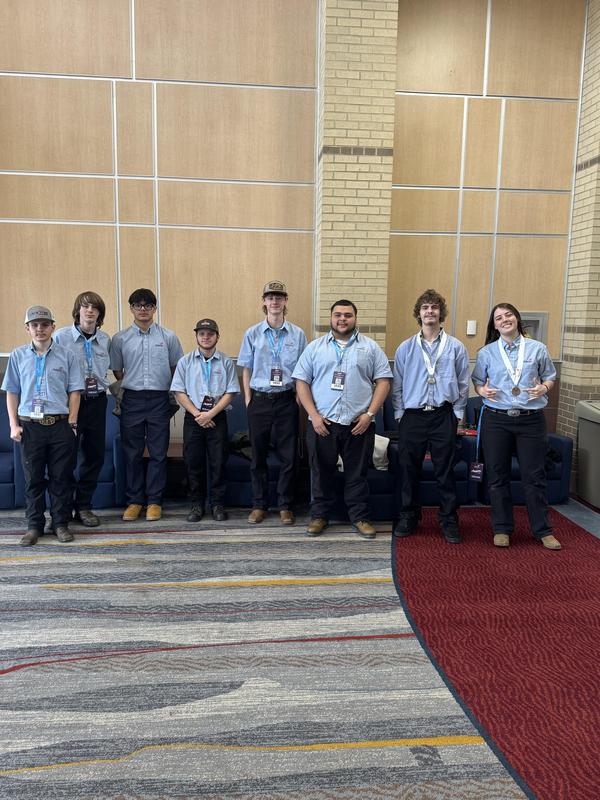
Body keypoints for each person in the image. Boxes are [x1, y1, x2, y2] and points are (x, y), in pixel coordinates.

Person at [293, 299, 392, 539]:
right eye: (338, 315)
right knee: (320, 473)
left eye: (348, 315)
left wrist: (370, 415)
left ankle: (360, 517)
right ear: (331, 318)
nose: (342, 319)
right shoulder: (315, 348)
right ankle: (319, 516)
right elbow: (301, 382)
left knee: (357, 474)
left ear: (355, 318)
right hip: (322, 424)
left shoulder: (370, 348)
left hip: (359, 425)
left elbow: (383, 382)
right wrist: (313, 416)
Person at [472, 302, 561, 550]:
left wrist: (544, 388)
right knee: (497, 476)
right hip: (496, 419)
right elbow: (477, 381)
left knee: (535, 477)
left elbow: (550, 377)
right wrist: (482, 390)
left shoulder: (537, 348)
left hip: (530, 420)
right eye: (498, 318)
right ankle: (502, 528)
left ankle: (543, 530)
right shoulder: (486, 352)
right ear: (494, 325)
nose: (504, 320)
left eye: (508, 315)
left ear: (517, 319)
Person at [392, 289, 469, 543]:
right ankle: (409, 515)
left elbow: (463, 383)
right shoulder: (405, 348)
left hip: (443, 415)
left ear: (441, 313)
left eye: (434, 307)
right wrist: (400, 414)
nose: (430, 311)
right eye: (425, 307)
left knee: (445, 471)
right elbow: (398, 384)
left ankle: (448, 519)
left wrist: (457, 414)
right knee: (408, 469)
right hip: (413, 416)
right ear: (419, 313)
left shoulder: (456, 347)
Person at [2, 306, 83, 546]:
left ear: (53, 327)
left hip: (60, 425)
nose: (40, 329)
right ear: (27, 328)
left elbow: (75, 391)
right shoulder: (18, 356)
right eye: (35, 325)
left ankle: (60, 524)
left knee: (61, 478)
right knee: (33, 479)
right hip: (30, 427)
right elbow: (12, 392)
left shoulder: (67, 355)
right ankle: (34, 526)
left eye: (45, 324)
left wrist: (72, 423)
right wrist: (13, 425)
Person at [237, 281, 307, 525]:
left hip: (286, 401)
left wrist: (298, 398)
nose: (274, 301)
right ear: (264, 302)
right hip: (260, 401)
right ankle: (259, 505)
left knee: (289, 457)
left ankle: (285, 505)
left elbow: (303, 370)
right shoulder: (252, 333)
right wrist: (248, 400)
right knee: (258, 456)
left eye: (279, 297)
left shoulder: (298, 334)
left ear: (285, 301)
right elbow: (246, 368)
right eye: (270, 297)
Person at [110, 289, 183, 521]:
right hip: (131, 399)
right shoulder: (120, 339)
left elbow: (176, 368)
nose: (143, 309)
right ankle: (134, 501)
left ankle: (154, 501)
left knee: (158, 453)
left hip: (159, 399)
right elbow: (118, 371)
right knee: (131, 453)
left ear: (154, 308)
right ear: (131, 308)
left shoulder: (168, 337)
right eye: (138, 305)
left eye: (148, 305)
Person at [171, 318, 240, 523]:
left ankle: (217, 504)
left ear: (217, 337)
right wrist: (198, 415)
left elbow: (231, 392)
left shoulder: (226, 362)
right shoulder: (185, 362)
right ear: (196, 336)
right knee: (194, 463)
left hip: (217, 418)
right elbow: (179, 391)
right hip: (193, 418)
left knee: (218, 463)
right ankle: (197, 504)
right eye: (202, 334)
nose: (206, 337)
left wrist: (210, 414)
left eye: (210, 334)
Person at [54, 291, 111, 527]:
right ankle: (63, 508)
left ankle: (84, 506)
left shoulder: (106, 339)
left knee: (94, 455)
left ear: (99, 314)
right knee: (66, 456)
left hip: (97, 401)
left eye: (94, 308)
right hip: (70, 402)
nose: (90, 311)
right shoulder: (61, 337)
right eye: (85, 307)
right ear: (77, 311)